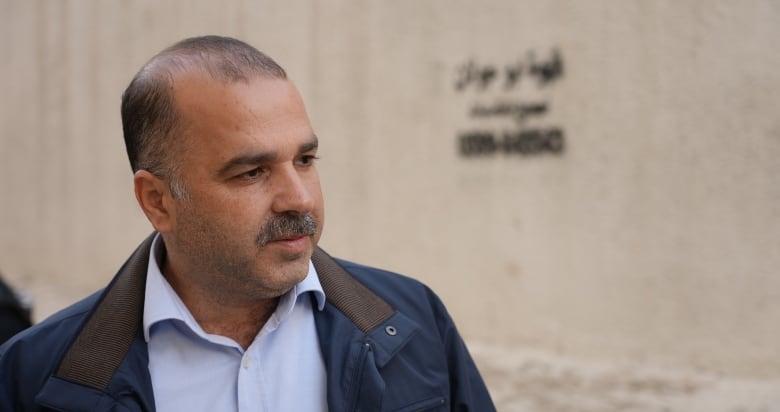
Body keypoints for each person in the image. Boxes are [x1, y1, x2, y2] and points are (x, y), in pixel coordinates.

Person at [0, 35, 495, 411]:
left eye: (305, 159)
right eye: (252, 172)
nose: (299, 198)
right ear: (157, 201)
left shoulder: (414, 323)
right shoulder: (33, 374)